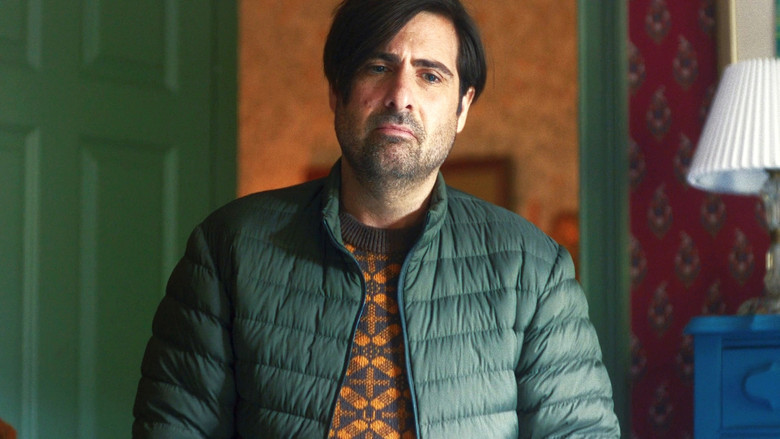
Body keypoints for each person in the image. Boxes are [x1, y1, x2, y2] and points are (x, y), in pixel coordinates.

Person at [132, 0, 621, 437]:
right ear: (337, 91)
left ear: (462, 108)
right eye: (378, 67)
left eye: (430, 75)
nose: (400, 95)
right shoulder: (228, 248)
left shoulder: (534, 271)